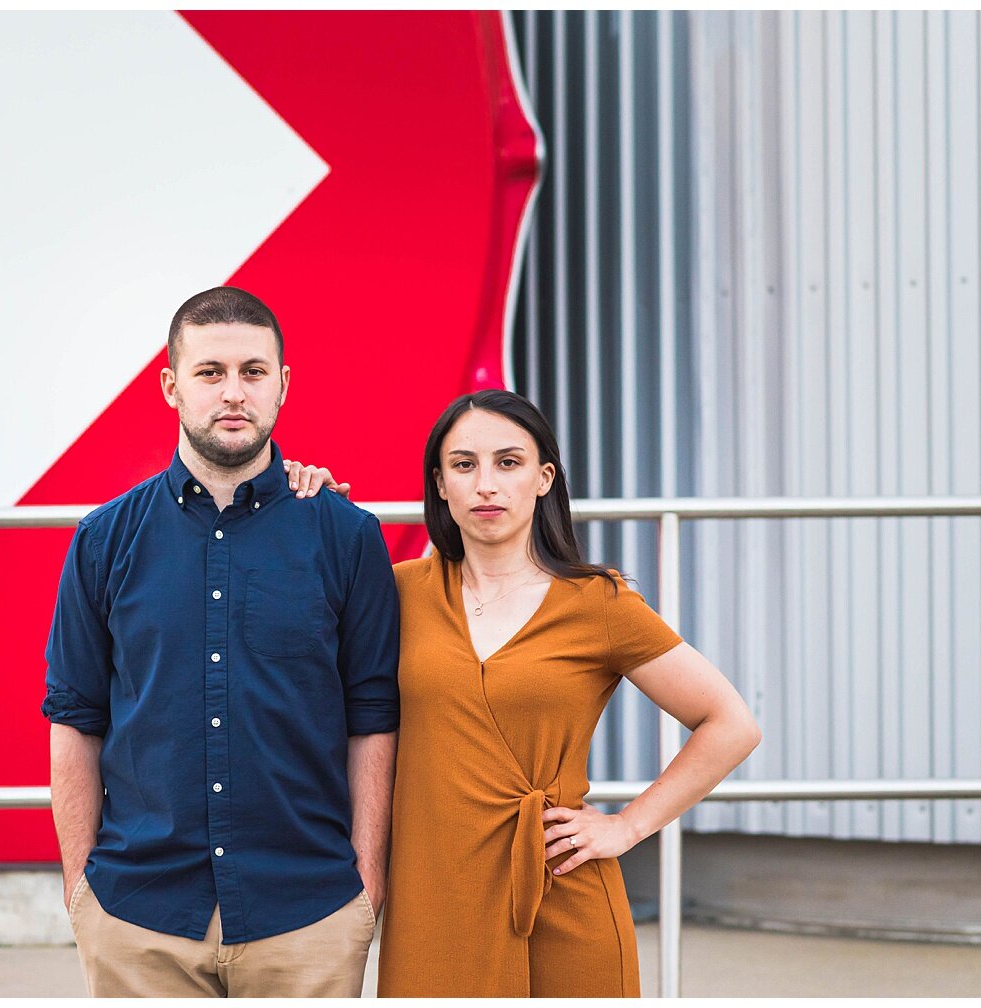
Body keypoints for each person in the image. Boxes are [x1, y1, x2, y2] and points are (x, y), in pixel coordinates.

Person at [289, 389, 760, 997]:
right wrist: (304, 503)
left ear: (543, 479)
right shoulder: (393, 592)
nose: (486, 484)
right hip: (434, 901)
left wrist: (627, 827)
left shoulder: (600, 602)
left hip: (563, 891)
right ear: (440, 484)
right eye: (464, 465)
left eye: (507, 463)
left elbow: (730, 722)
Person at [41, 286, 400, 998]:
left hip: (310, 915)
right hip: (138, 917)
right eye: (210, 373)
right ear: (172, 387)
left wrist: (366, 881)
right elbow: (75, 717)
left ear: (283, 386)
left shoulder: (345, 536)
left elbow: (373, 717)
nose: (233, 393)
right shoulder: (104, 540)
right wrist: (82, 888)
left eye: (253, 372)